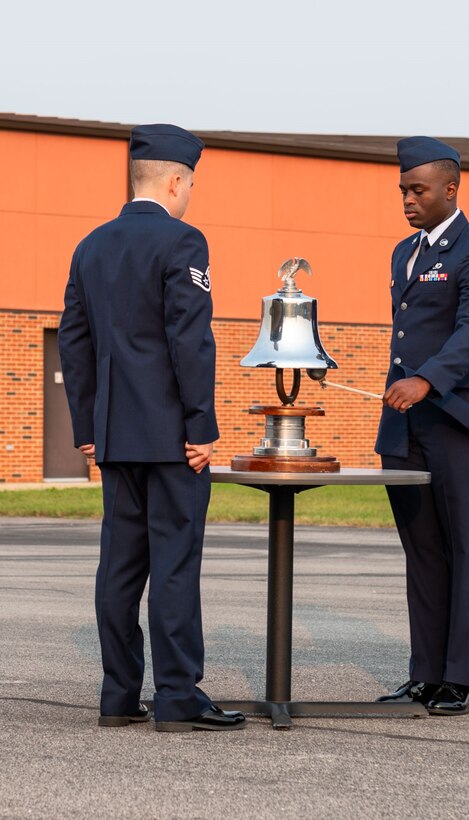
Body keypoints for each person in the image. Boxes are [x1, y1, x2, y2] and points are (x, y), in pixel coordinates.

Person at [58, 123, 245, 732]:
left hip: (115, 436)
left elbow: (74, 343)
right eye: (191, 183)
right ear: (175, 179)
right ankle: (176, 697)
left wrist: (88, 426)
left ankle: (117, 695)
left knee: (119, 566)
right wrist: (202, 426)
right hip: (172, 440)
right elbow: (190, 340)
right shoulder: (182, 242)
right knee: (173, 564)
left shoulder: (90, 246)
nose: (191, 194)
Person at [375, 136, 469, 715]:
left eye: (417, 189)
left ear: (451, 189)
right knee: (422, 551)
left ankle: (461, 678)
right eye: (403, 189)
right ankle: (426, 672)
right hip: (405, 428)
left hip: (457, 420)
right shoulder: (404, 250)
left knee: (463, 548)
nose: (407, 199)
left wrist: (426, 381)